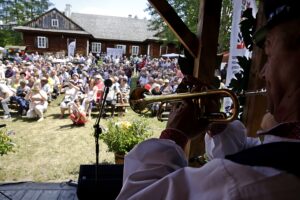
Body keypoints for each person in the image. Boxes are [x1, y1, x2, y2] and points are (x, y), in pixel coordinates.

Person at [116, 0, 300, 199]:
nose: (263, 72)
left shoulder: (243, 180)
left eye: (269, 54)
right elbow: (250, 152)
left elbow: (137, 195)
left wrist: (173, 135)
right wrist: (219, 126)